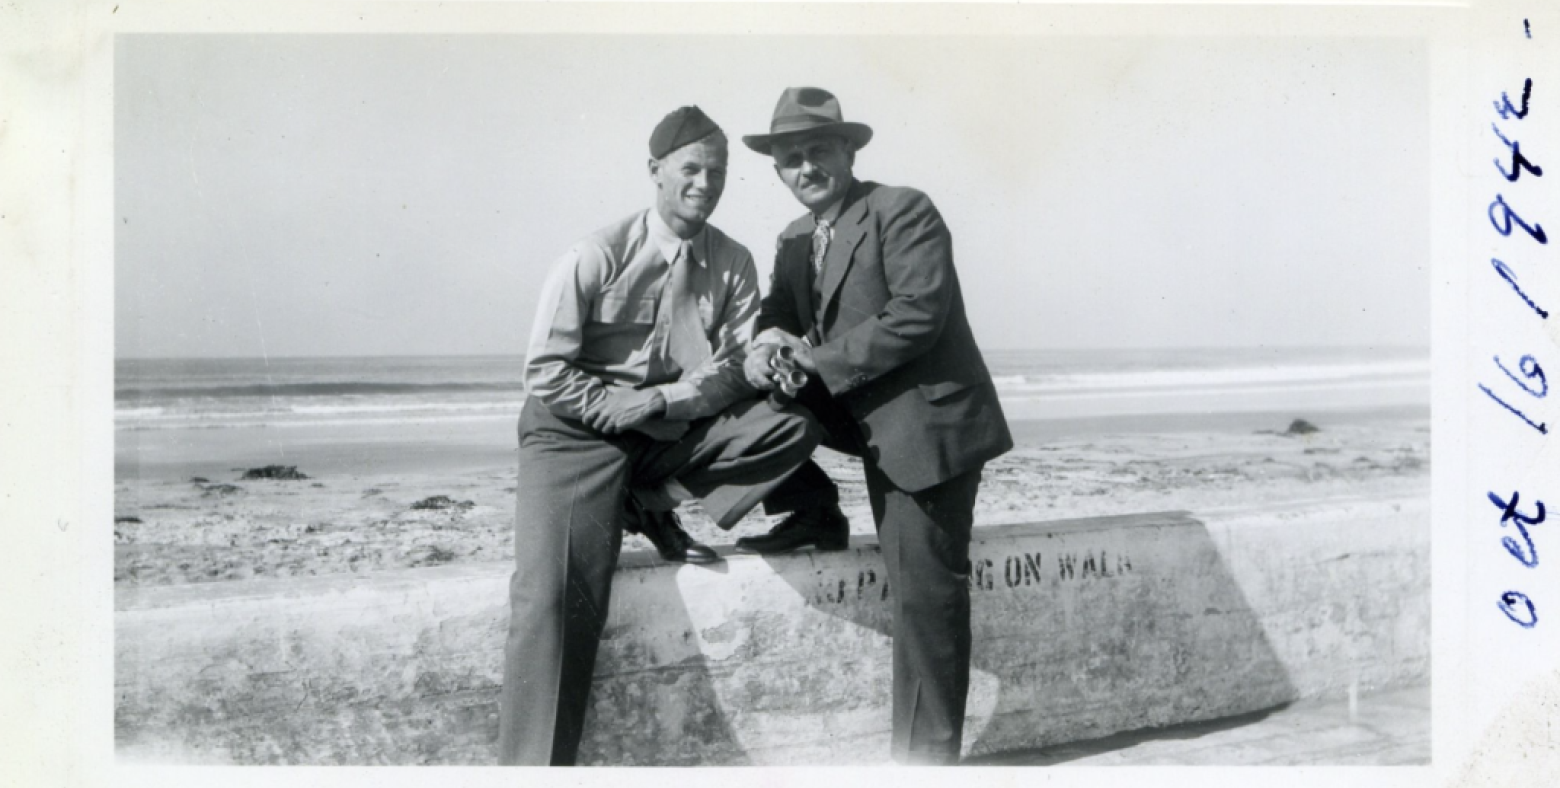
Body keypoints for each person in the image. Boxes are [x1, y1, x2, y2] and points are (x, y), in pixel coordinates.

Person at [497, 105, 825, 766]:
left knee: (789, 424)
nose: (705, 184)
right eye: (691, 170)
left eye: (718, 172)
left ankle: (649, 501)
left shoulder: (731, 261)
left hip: (668, 424)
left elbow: (733, 369)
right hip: (576, 435)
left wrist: (683, 393)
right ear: (655, 172)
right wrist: (618, 405)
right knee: (554, 600)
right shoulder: (596, 253)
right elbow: (543, 374)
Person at [737, 87, 1014, 765]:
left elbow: (919, 314)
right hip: (857, 411)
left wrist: (816, 360)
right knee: (732, 396)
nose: (804, 167)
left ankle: (924, 765)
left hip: (926, 425)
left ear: (849, 151)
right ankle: (811, 513)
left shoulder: (902, 209)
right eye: (789, 157)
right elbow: (776, 307)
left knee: (922, 595)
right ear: (776, 168)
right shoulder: (795, 238)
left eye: (818, 150)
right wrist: (767, 346)